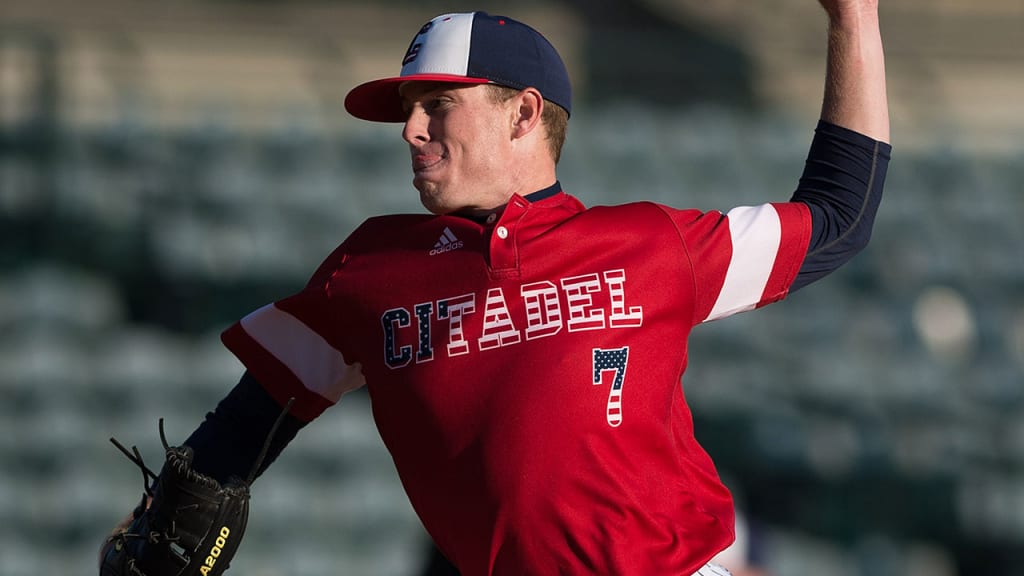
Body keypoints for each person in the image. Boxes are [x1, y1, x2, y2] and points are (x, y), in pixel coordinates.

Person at [104, 2, 890, 575]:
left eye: (437, 105)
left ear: (523, 114)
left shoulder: (651, 245)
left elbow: (839, 219)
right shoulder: (369, 271)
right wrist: (161, 518)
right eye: (409, 110)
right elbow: (250, 420)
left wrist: (853, 18)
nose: (411, 130)